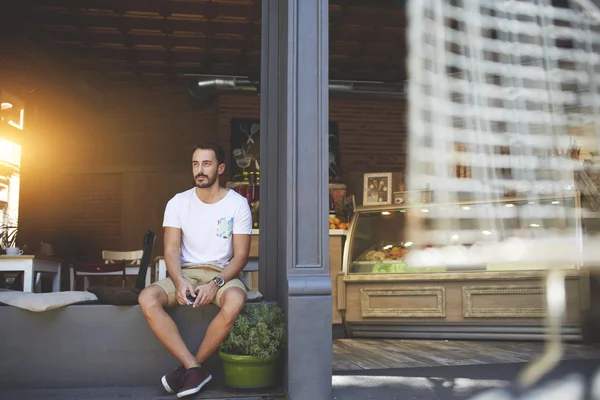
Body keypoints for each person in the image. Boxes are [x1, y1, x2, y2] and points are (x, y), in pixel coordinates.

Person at [138, 140, 252, 398]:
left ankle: (191, 368)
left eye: (207, 164)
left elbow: (241, 255)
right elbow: (170, 250)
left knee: (235, 301)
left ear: (220, 168)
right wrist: (178, 282)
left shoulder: (237, 204)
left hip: (222, 273)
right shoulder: (177, 203)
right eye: (196, 164)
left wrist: (216, 284)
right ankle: (193, 368)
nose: (200, 169)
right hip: (186, 271)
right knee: (147, 297)